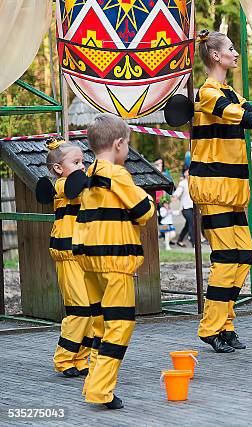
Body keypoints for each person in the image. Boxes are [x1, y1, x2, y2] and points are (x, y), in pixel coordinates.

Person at [190, 29, 252, 353]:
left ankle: (225, 323)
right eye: (231, 49)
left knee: (244, 254)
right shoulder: (207, 92)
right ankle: (211, 327)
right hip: (214, 186)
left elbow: (250, 114)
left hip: (233, 188)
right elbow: (235, 115)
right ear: (216, 56)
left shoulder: (230, 92)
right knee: (225, 257)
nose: (236, 53)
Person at [72, 113, 155, 409]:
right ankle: (100, 389)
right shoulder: (117, 174)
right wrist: (147, 198)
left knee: (99, 325)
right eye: (128, 145)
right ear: (119, 144)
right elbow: (144, 210)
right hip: (115, 260)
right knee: (119, 325)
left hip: (89, 259)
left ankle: (93, 382)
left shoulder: (89, 173)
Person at [44, 138, 93, 378]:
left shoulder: (80, 185)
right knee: (79, 309)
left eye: (83, 161)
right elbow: (77, 188)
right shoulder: (62, 185)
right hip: (68, 254)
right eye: (76, 162)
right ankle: (64, 358)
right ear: (58, 169)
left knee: (92, 310)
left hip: (84, 253)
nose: (82, 166)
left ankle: (82, 358)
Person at [173, 168, 195, 247]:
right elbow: (178, 191)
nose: (188, 173)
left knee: (188, 225)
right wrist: (175, 196)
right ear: (184, 173)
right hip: (185, 207)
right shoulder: (182, 183)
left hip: (193, 207)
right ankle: (194, 242)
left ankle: (180, 240)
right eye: (186, 172)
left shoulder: (194, 181)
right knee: (192, 222)